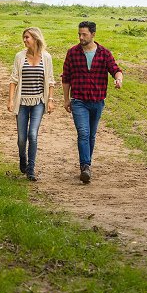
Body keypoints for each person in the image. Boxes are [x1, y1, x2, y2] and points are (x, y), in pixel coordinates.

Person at [62, 21, 123, 184]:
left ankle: (87, 163)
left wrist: (118, 79)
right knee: (83, 132)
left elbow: (115, 69)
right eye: (79, 34)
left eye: (84, 34)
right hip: (78, 101)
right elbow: (66, 77)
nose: (81, 37)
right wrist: (66, 99)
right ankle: (85, 167)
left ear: (93, 34)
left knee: (91, 135)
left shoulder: (104, 53)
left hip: (97, 101)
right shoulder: (72, 53)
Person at [7, 27, 56, 181]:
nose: (24, 40)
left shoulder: (46, 58)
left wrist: (50, 100)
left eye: (27, 37)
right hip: (21, 102)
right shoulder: (19, 57)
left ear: (35, 38)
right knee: (22, 138)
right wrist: (10, 100)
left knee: (32, 134)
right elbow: (13, 80)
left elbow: (50, 80)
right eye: (24, 37)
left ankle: (31, 169)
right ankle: (23, 158)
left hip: (38, 102)